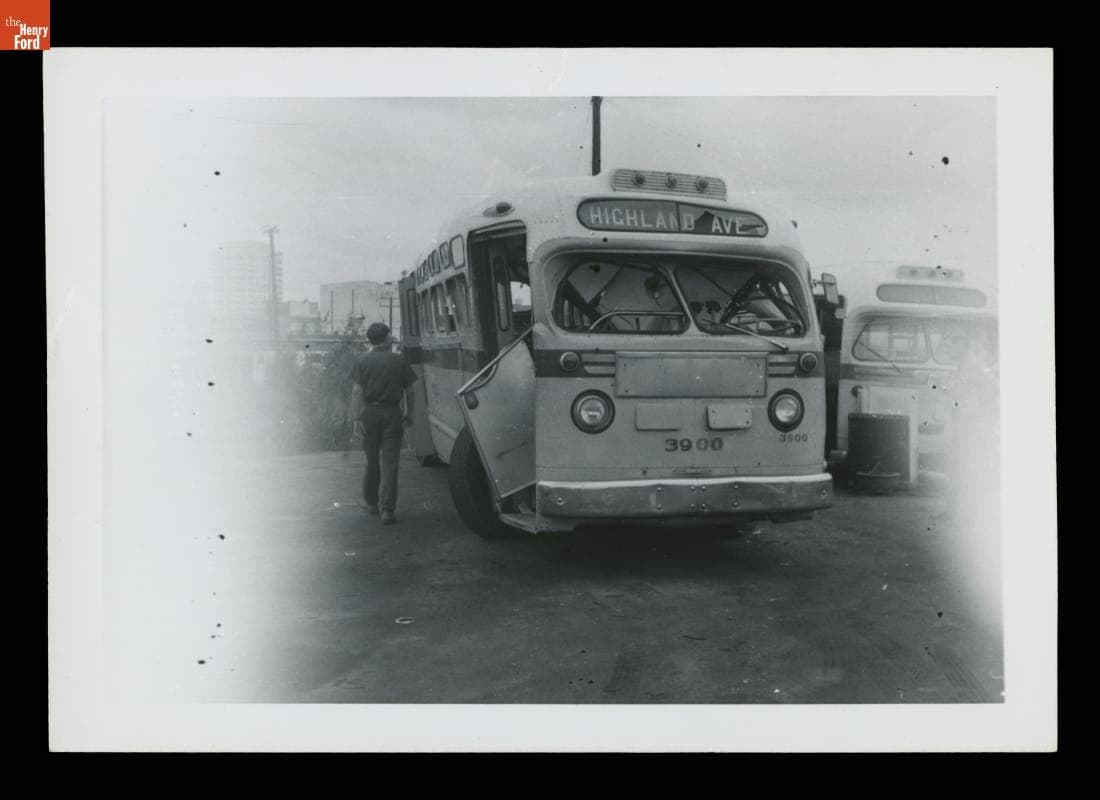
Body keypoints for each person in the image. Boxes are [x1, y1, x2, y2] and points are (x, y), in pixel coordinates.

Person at [348, 322, 417, 525]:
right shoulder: (400, 361)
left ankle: (371, 504)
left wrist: (355, 418)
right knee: (390, 463)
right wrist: (409, 414)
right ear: (386, 338)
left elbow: (356, 392)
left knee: (371, 460)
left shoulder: (361, 360)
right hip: (392, 413)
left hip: (369, 414)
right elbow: (411, 391)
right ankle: (387, 510)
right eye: (390, 336)